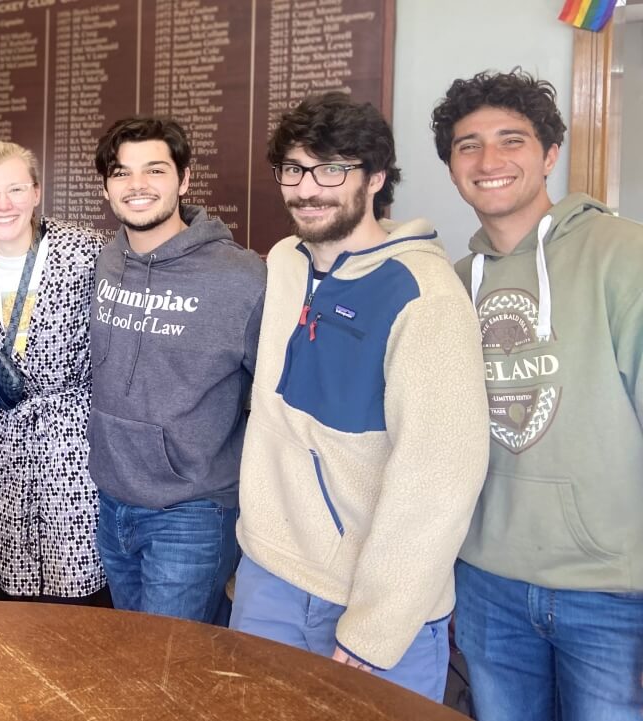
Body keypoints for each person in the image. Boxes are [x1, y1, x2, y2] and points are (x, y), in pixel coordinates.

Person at [231, 92, 489, 701]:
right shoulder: (285, 260)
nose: (308, 188)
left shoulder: (424, 295)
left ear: (375, 178)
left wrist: (376, 625)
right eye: (294, 169)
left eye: (332, 169)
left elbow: (441, 478)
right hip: (270, 575)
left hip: (368, 600)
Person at [432, 70, 643, 720]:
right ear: (451, 166)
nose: (489, 160)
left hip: (611, 590)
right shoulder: (452, 282)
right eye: (468, 145)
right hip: (489, 582)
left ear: (550, 154)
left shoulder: (623, 253)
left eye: (511, 140)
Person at [88, 116, 265, 623]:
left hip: (193, 511)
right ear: (106, 187)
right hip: (112, 498)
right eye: (121, 173)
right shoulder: (107, 261)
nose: (137, 186)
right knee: (136, 656)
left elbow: (271, 394)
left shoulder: (242, 277)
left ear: (184, 180)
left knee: (171, 672)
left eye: (155, 170)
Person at [0, 141, 108, 604]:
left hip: (75, 434)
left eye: (15, 189)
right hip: (12, 433)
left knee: (78, 581)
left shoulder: (85, 250)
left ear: (37, 192)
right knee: (14, 583)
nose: (3, 205)